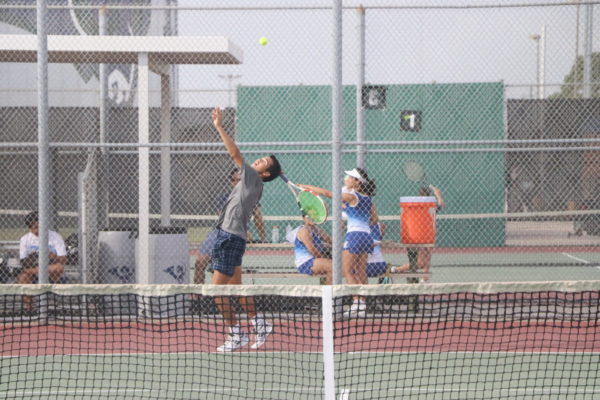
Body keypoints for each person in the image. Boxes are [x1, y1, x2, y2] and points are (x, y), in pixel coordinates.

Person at [209, 107, 282, 352]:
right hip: (230, 236)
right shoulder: (250, 181)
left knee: (217, 292)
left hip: (229, 238)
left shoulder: (252, 178)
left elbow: (234, 153)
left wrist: (219, 126)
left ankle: (235, 333)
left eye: (263, 162)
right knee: (237, 288)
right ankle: (259, 323)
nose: (257, 160)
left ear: (265, 173)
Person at [300, 167, 376, 318]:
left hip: (354, 236)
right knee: (361, 272)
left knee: (347, 270)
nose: (346, 178)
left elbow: (329, 194)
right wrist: (351, 212)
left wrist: (309, 188)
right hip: (367, 236)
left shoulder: (351, 196)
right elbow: (375, 219)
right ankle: (362, 304)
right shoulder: (367, 199)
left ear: (357, 182)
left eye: (349, 177)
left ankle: (357, 303)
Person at [193, 168, 266, 285]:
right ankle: (197, 298)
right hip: (218, 232)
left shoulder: (249, 196)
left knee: (226, 273)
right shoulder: (223, 197)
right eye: (233, 180)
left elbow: (258, 217)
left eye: (239, 180)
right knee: (200, 262)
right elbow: (224, 218)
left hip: (237, 235)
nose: (236, 182)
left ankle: (228, 296)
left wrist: (262, 238)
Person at [18, 211, 67, 310]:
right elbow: (23, 261)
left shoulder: (55, 237)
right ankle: (29, 308)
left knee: (58, 268)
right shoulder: (25, 239)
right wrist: (34, 259)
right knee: (23, 277)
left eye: (39, 226)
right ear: (30, 228)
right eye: (34, 228)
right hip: (34, 271)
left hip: (52, 273)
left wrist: (52, 256)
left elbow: (63, 260)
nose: (37, 230)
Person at [397, 185, 444, 282]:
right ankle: (395, 270)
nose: (423, 196)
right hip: (419, 237)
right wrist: (438, 194)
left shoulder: (430, 206)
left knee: (427, 260)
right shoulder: (418, 206)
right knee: (421, 262)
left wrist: (437, 194)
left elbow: (440, 206)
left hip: (429, 236)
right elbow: (441, 205)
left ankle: (425, 279)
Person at [286, 214, 333, 284]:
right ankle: (328, 293)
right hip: (305, 262)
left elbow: (330, 241)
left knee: (333, 268)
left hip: (315, 259)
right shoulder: (304, 231)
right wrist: (324, 259)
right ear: (304, 218)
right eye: (309, 216)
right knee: (333, 267)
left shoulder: (316, 230)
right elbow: (312, 250)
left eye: (314, 215)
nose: (312, 218)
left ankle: (325, 292)